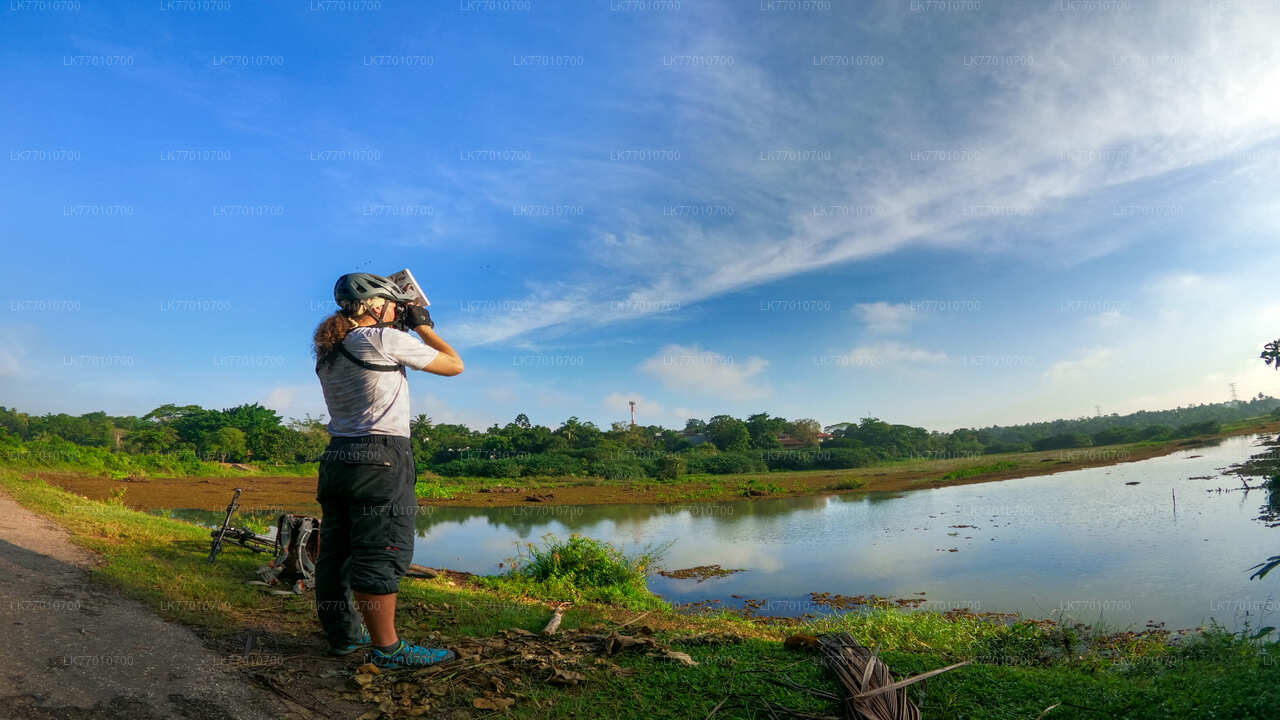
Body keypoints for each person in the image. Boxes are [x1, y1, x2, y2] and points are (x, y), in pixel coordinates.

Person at [311, 272, 464, 668]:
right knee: (382, 549)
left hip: (338, 457)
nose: (398, 312)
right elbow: (454, 366)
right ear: (375, 306)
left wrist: (400, 321)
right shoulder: (381, 338)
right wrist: (424, 328)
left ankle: (343, 637)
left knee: (337, 553)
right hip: (381, 455)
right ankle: (389, 650)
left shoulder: (329, 351)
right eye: (393, 305)